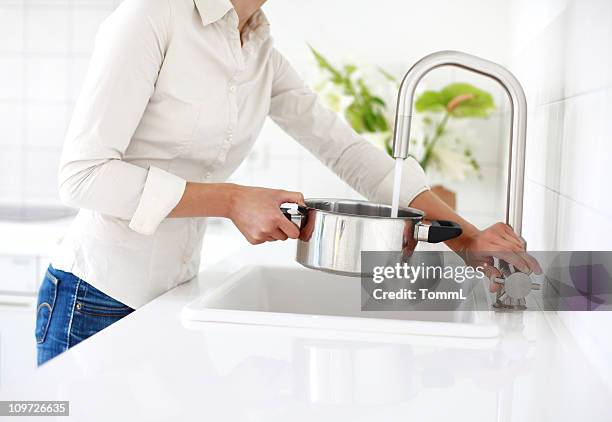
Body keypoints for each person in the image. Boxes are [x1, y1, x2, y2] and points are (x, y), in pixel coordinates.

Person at [35, 0, 540, 365]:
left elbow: (347, 152)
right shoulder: (151, 16)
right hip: (94, 298)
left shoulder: (258, 52)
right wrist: (232, 201)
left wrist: (467, 239)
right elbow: (83, 177)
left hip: (172, 296)